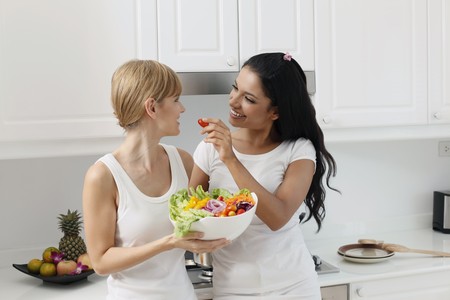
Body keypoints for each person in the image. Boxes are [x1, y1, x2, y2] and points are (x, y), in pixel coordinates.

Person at [190, 52, 339, 299]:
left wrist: (230, 158)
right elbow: (189, 215)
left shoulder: (298, 150)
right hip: (232, 289)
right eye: (235, 88)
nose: (234, 101)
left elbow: (277, 217)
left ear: (275, 112)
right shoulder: (209, 147)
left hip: (294, 287)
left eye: (248, 98)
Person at [82, 59, 229, 300]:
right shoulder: (103, 176)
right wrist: (169, 243)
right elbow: (100, 261)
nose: (182, 108)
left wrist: (226, 154)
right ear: (152, 107)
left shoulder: (182, 161)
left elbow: (209, 216)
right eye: (175, 100)